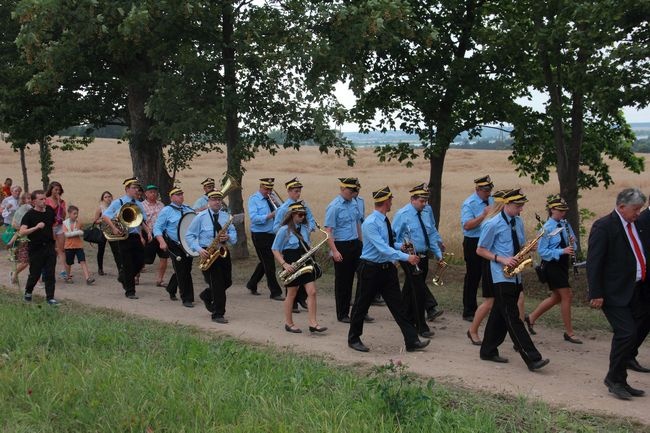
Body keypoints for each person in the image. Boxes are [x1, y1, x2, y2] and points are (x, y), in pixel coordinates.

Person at [347, 186, 430, 353]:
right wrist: (407, 257)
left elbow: (390, 244)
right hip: (370, 270)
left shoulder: (385, 220)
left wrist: (403, 246)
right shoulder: (370, 223)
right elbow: (382, 248)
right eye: (390, 199)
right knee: (361, 306)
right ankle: (354, 338)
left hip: (386, 270)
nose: (392, 202)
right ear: (385, 201)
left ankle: (412, 340)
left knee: (398, 306)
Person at [476, 188, 549, 371]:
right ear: (507, 204)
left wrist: (528, 248)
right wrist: (502, 259)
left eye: (522, 206)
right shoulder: (492, 224)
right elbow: (481, 250)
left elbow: (518, 245)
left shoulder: (517, 221)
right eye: (518, 206)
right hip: (501, 275)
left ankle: (488, 350)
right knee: (513, 317)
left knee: (500, 315)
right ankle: (532, 358)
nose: (521, 209)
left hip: (515, 275)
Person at [587, 188, 649, 400]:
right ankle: (614, 379)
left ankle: (620, 379)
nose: (638, 213)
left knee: (634, 331)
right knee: (627, 333)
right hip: (613, 292)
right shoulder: (604, 226)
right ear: (621, 206)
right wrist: (595, 292)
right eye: (635, 209)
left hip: (635, 289)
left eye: (640, 209)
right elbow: (594, 263)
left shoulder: (636, 226)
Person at [525, 196, 581, 344]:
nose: (563, 213)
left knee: (556, 297)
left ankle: (531, 318)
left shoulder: (565, 224)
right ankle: (569, 332)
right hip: (552, 265)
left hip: (562, 265)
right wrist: (562, 251)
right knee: (567, 295)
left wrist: (572, 245)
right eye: (560, 210)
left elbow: (573, 246)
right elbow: (543, 252)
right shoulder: (546, 228)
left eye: (565, 211)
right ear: (552, 210)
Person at [393, 183, 444, 338]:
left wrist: (438, 254)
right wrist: (402, 248)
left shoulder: (426, 212)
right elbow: (392, 238)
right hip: (409, 257)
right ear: (413, 199)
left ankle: (405, 318)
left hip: (423, 256)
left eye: (426, 201)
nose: (424, 204)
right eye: (421, 201)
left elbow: (432, 233)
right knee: (419, 291)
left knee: (410, 290)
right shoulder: (402, 214)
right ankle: (421, 326)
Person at [272, 201, 327, 334]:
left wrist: (310, 250)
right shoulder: (284, 230)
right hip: (291, 262)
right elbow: (275, 249)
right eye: (300, 215)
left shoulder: (305, 228)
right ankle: (289, 323)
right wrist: (284, 264)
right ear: (292, 215)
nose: (303, 217)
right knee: (292, 293)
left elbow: (305, 243)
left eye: (304, 215)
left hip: (305, 260)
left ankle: (313, 323)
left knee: (312, 291)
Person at [185, 190, 237, 323]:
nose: (217, 202)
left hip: (222, 251)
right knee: (218, 284)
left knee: (227, 281)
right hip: (207, 251)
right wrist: (198, 249)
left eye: (219, 199)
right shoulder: (200, 217)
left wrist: (229, 236)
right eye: (214, 199)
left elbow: (234, 237)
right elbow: (189, 236)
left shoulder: (226, 217)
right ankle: (218, 313)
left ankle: (207, 295)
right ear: (208, 201)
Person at [325, 177, 367, 323]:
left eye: (355, 190)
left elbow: (357, 224)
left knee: (364, 275)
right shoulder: (334, 206)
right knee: (344, 281)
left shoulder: (354, 203)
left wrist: (361, 242)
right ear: (342, 189)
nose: (353, 193)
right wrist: (334, 251)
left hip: (356, 244)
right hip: (341, 246)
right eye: (351, 190)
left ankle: (360, 309)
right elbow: (328, 231)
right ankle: (343, 313)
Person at [273, 177, 316, 312]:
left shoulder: (303, 206)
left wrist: (309, 228)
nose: (298, 194)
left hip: (304, 245)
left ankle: (301, 299)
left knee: (305, 274)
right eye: (296, 191)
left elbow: (311, 220)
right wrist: (287, 230)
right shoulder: (283, 209)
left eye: (299, 191)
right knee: (292, 277)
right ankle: (292, 304)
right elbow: (276, 228)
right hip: (290, 244)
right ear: (289, 191)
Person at [102, 177, 149, 299]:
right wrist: (113, 227)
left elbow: (141, 221)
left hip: (135, 236)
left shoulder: (138, 203)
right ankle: (130, 291)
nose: (136, 190)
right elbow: (105, 216)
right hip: (123, 237)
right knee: (127, 264)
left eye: (137, 188)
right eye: (134, 188)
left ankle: (123, 277)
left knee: (140, 261)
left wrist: (148, 232)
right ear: (127, 189)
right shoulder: (119, 202)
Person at [460, 175, 495, 321]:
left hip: (489, 242)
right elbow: (467, 225)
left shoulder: (492, 200)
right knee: (473, 276)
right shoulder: (469, 203)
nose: (488, 193)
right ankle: (469, 310)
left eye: (490, 189)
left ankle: (490, 307)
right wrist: (483, 215)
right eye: (485, 190)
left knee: (490, 274)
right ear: (477, 189)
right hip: (473, 241)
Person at [154, 187, 196, 307]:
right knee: (182, 270)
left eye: (182, 194)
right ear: (172, 197)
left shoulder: (188, 209)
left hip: (187, 244)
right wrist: (161, 242)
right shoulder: (166, 210)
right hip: (174, 243)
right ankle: (187, 298)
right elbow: (157, 228)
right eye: (177, 195)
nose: (181, 196)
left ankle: (171, 288)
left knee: (186, 268)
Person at [246, 178, 284, 300]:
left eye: (270, 189)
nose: (269, 191)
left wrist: (277, 204)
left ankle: (252, 284)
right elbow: (254, 218)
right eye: (266, 189)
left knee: (264, 262)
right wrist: (270, 215)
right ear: (261, 187)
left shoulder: (272, 197)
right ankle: (275, 292)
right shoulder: (254, 199)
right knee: (269, 263)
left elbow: (283, 210)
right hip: (260, 234)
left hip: (272, 233)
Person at [19, 190, 59, 305]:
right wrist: (36, 227)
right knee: (35, 273)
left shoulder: (50, 211)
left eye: (44, 198)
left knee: (50, 273)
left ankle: (50, 297)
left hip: (49, 246)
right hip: (36, 248)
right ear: (34, 201)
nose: (44, 201)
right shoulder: (29, 215)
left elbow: (52, 226)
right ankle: (28, 292)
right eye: (41, 199)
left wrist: (55, 244)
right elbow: (22, 232)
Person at [630, 200, 650, 373]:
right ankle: (628, 353)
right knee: (643, 318)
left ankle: (629, 352)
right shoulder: (642, 220)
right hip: (644, 279)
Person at [142, 184, 169, 286]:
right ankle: (136, 276)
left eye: (155, 192)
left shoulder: (161, 205)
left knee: (164, 256)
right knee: (145, 258)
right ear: (146, 194)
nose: (153, 194)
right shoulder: (141, 205)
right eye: (151, 192)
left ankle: (160, 279)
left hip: (161, 234)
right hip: (148, 233)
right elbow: (139, 222)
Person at [62, 205, 95, 285]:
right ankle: (68, 277)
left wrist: (82, 233)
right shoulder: (65, 223)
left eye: (77, 213)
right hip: (69, 246)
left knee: (83, 261)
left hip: (78, 246)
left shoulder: (79, 222)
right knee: (69, 263)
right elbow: (66, 235)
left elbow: (82, 232)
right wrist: (77, 232)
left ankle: (88, 278)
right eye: (74, 213)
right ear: (69, 214)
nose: (76, 215)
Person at [8, 192, 32, 286]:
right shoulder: (25, 209)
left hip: (30, 239)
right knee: (25, 262)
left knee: (29, 262)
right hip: (24, 240)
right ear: (24, 200)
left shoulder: (25, 210)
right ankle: (14, 273)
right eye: (28, 198)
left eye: (30, 198)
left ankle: (14, 273)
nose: (30, 200)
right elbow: (17, 227)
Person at [45, 181, 67, 279]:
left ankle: (63, 269)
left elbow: (63, 215)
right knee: (54, 248)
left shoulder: (62, 202)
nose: (57, 192)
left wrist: (60, 204)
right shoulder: (47, 200)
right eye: (55, 190)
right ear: (51, 190)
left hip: (59, 226)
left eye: (59, 190)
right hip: (50, 226)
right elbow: (48, 213)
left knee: (61, 248)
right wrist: (56, 204)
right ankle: (48, 270)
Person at [93, 191, 113, 276]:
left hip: (113, 231)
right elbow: (95, 221)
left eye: (109, 196)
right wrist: (102, 220)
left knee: (116, 250)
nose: (108, 198)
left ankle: (120, 268)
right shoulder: (100, 208)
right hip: (103, 231)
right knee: (101, 250)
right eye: (105, 197)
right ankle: (100, 268)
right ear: (103, 199)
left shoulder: (114, 207)